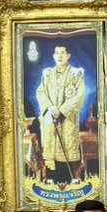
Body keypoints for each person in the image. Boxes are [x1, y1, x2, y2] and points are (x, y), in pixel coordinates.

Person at [35, 44, 88, 185]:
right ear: (53, 56)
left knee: (67, 148)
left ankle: (68, 183)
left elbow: (80, 95)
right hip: (50, 118)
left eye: (62, 53)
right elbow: (40, 92)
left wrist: (62, 110)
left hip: (67, 120)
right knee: (50, 151)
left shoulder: (76, 74)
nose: (59, 56)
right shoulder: (47, 74)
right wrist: (50, 107)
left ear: (68, 56)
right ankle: (51, 181)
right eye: (57, 53)